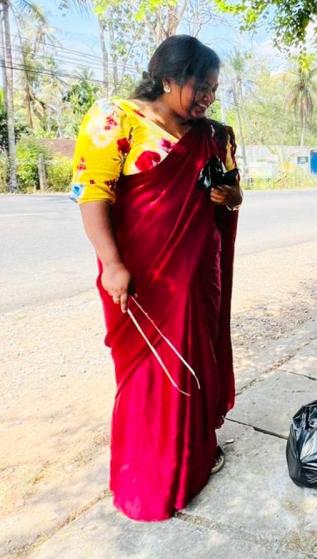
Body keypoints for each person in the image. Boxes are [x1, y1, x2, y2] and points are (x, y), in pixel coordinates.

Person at [72, 35, 242, 521]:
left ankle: (194, 460)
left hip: (197, 273)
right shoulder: (116, 118)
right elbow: (91, 193)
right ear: (169, 79)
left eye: (213, 89)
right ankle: (146, 477)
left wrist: (226, 198)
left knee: (194, 359)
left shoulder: (217, 135)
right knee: (147, 374)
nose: (209, 97)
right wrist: (112, 263)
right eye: (201, 87)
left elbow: (234, 196)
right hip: (141, 277)